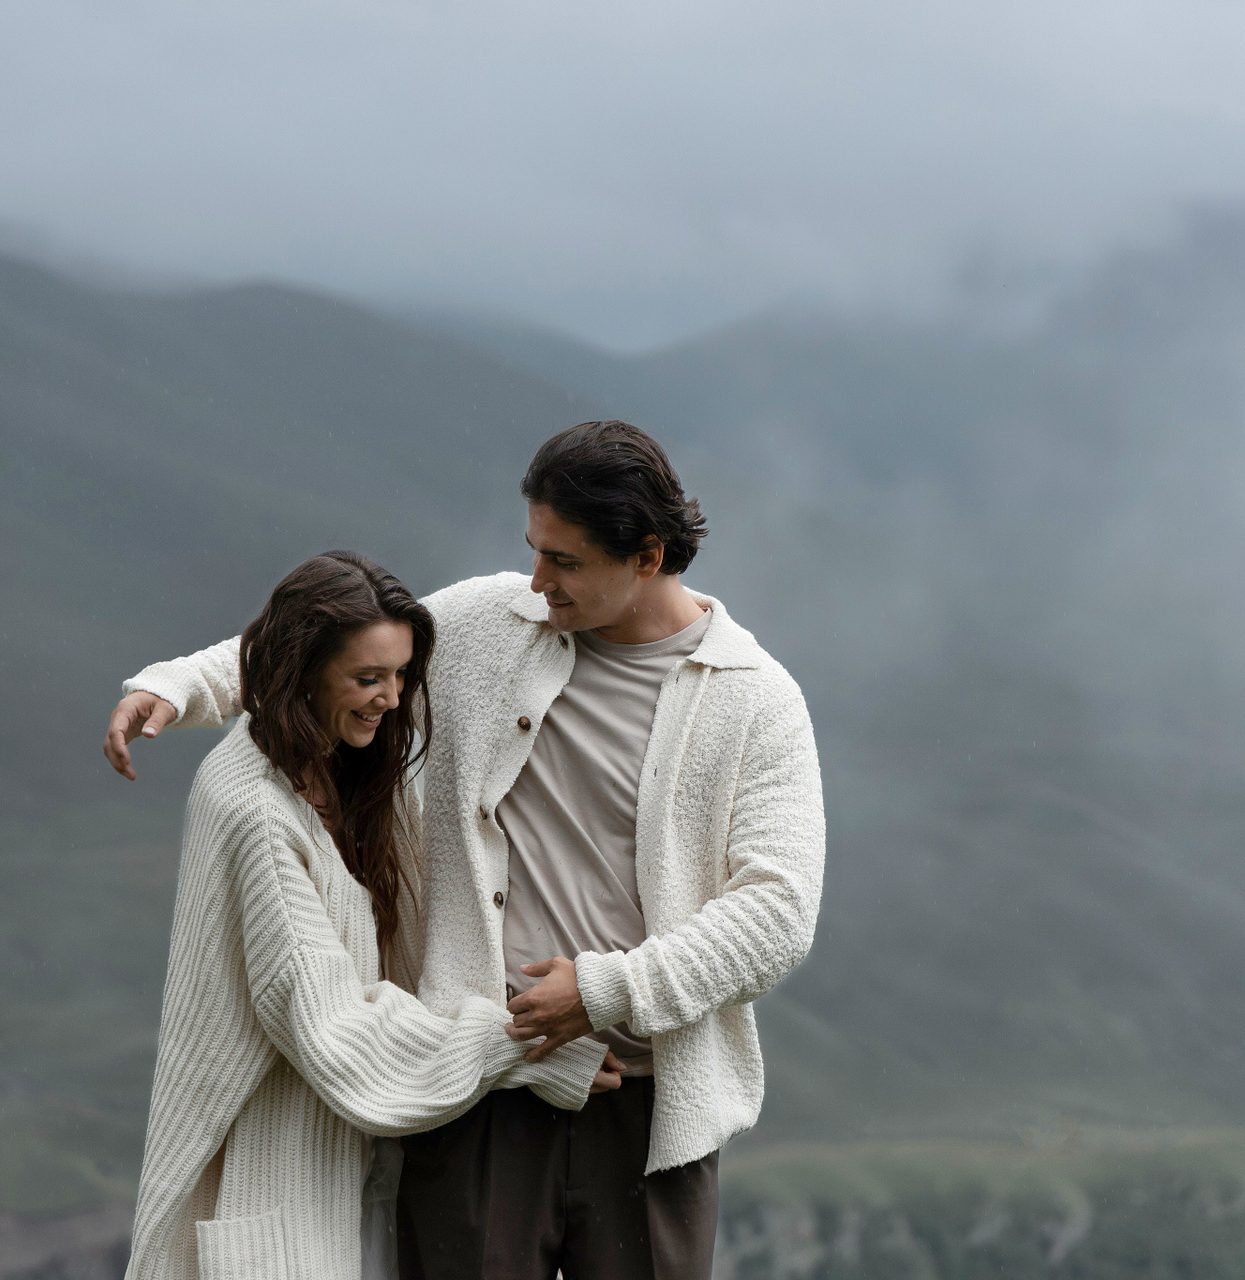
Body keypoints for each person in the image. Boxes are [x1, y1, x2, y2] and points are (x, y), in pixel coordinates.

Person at [106, 422, 827, 1280]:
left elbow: (778, 914)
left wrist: (604, 992)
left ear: (647, 557)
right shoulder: (494, 622)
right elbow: (330, 644)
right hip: (477, 1089)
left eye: (564, 560)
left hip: (649, 1108)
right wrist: (182, 685)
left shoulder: (758, 702)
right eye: (534, 550)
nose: (538, 579)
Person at [123, 550, 614, 1280]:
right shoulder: (256, 811)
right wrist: (527, 1045)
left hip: (359, 1178)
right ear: (303, 669)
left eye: (402, 675)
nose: (391, 698)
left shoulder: (349, 768)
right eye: (366, 678)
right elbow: (335, 1031)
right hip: (274, 1188)